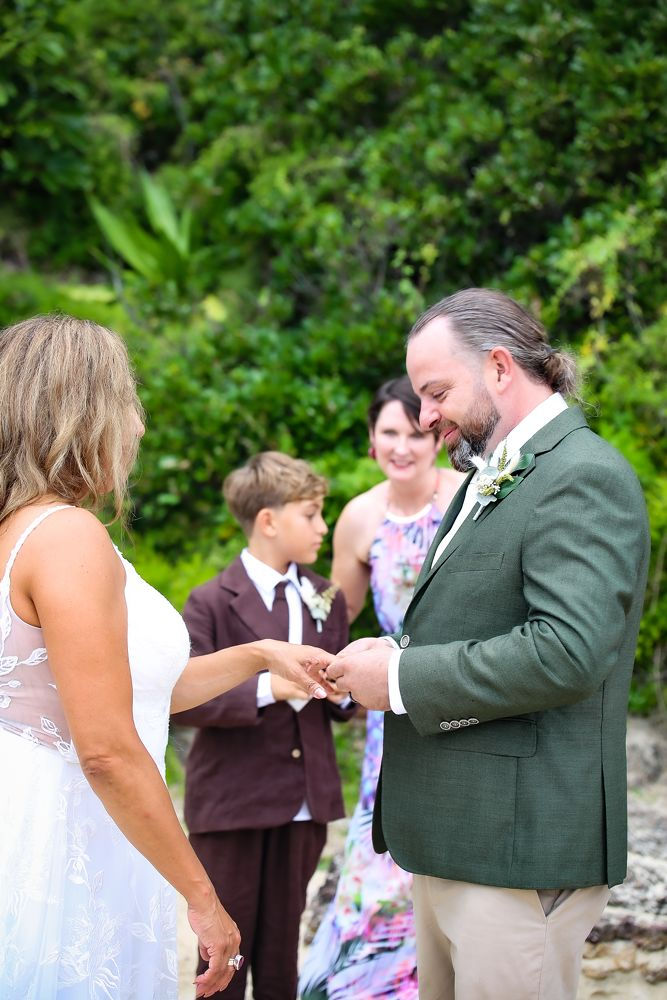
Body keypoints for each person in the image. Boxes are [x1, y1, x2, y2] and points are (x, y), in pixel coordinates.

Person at [324, 288, 650, 1000]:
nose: (426, 414)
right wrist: (393, 654)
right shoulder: (496, 474)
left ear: (499, 367)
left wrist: (403, 680)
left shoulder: (582, 476)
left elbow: (566, 651)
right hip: (452, 844)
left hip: (515, 853)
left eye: (435, 392)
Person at [0, 315, 334, 1000]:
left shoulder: (21, 528)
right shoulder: (68, 537)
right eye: (127, 404)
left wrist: (258, 655)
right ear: (80, 411)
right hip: (68, 839)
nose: (139, 427)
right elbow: (107, 747)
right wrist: (202, 898)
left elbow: (127, 691)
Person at [299, 377, 464, 1000]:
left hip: (459, 684)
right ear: (371, 442)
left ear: (434, 434)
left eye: (414, 431)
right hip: (389, 704)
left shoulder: (467, 497)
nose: (402, 446)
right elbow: (334, 608)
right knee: (382, 848)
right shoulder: (360, 516)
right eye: (387, 433)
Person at [171, 451, 354, 1000]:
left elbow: (341, 695)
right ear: (269, 521)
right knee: (225, 956)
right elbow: (184, 699)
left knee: (281, 956)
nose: (324, 527)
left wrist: (347, 686)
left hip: (305, 802)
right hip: (232, 804)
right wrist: (270, 687)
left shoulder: (327, 596)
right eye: (312, 514)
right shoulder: (209, 602)